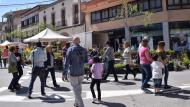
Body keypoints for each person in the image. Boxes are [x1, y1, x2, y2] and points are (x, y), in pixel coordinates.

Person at [63, 37, 88, 107]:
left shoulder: (70, 49)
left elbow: (66, 63)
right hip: (81, 71)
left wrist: (64, 73)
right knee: (79, 88)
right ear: (79, 42)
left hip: (73, 72)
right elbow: (86, 61)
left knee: (76, 89)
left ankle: (81, 105)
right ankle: (76, 103)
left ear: (73, 42)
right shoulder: (84, 50)